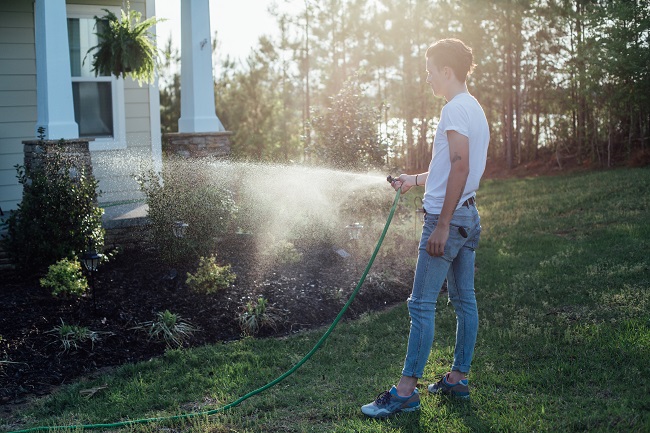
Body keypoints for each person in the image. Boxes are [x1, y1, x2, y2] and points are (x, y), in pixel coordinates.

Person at [361, 38, 490, 418]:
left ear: (447, 71)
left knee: (420, 305)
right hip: (469, 215)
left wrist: (442, 225)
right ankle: (458, 378)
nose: (427, 77)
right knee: (464, 300)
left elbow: (460, 166)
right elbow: (452, 167)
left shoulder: (453, 110)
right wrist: (414, 179)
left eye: (430, 70)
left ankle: (405, 392)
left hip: (448, 221)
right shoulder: (473, 107)